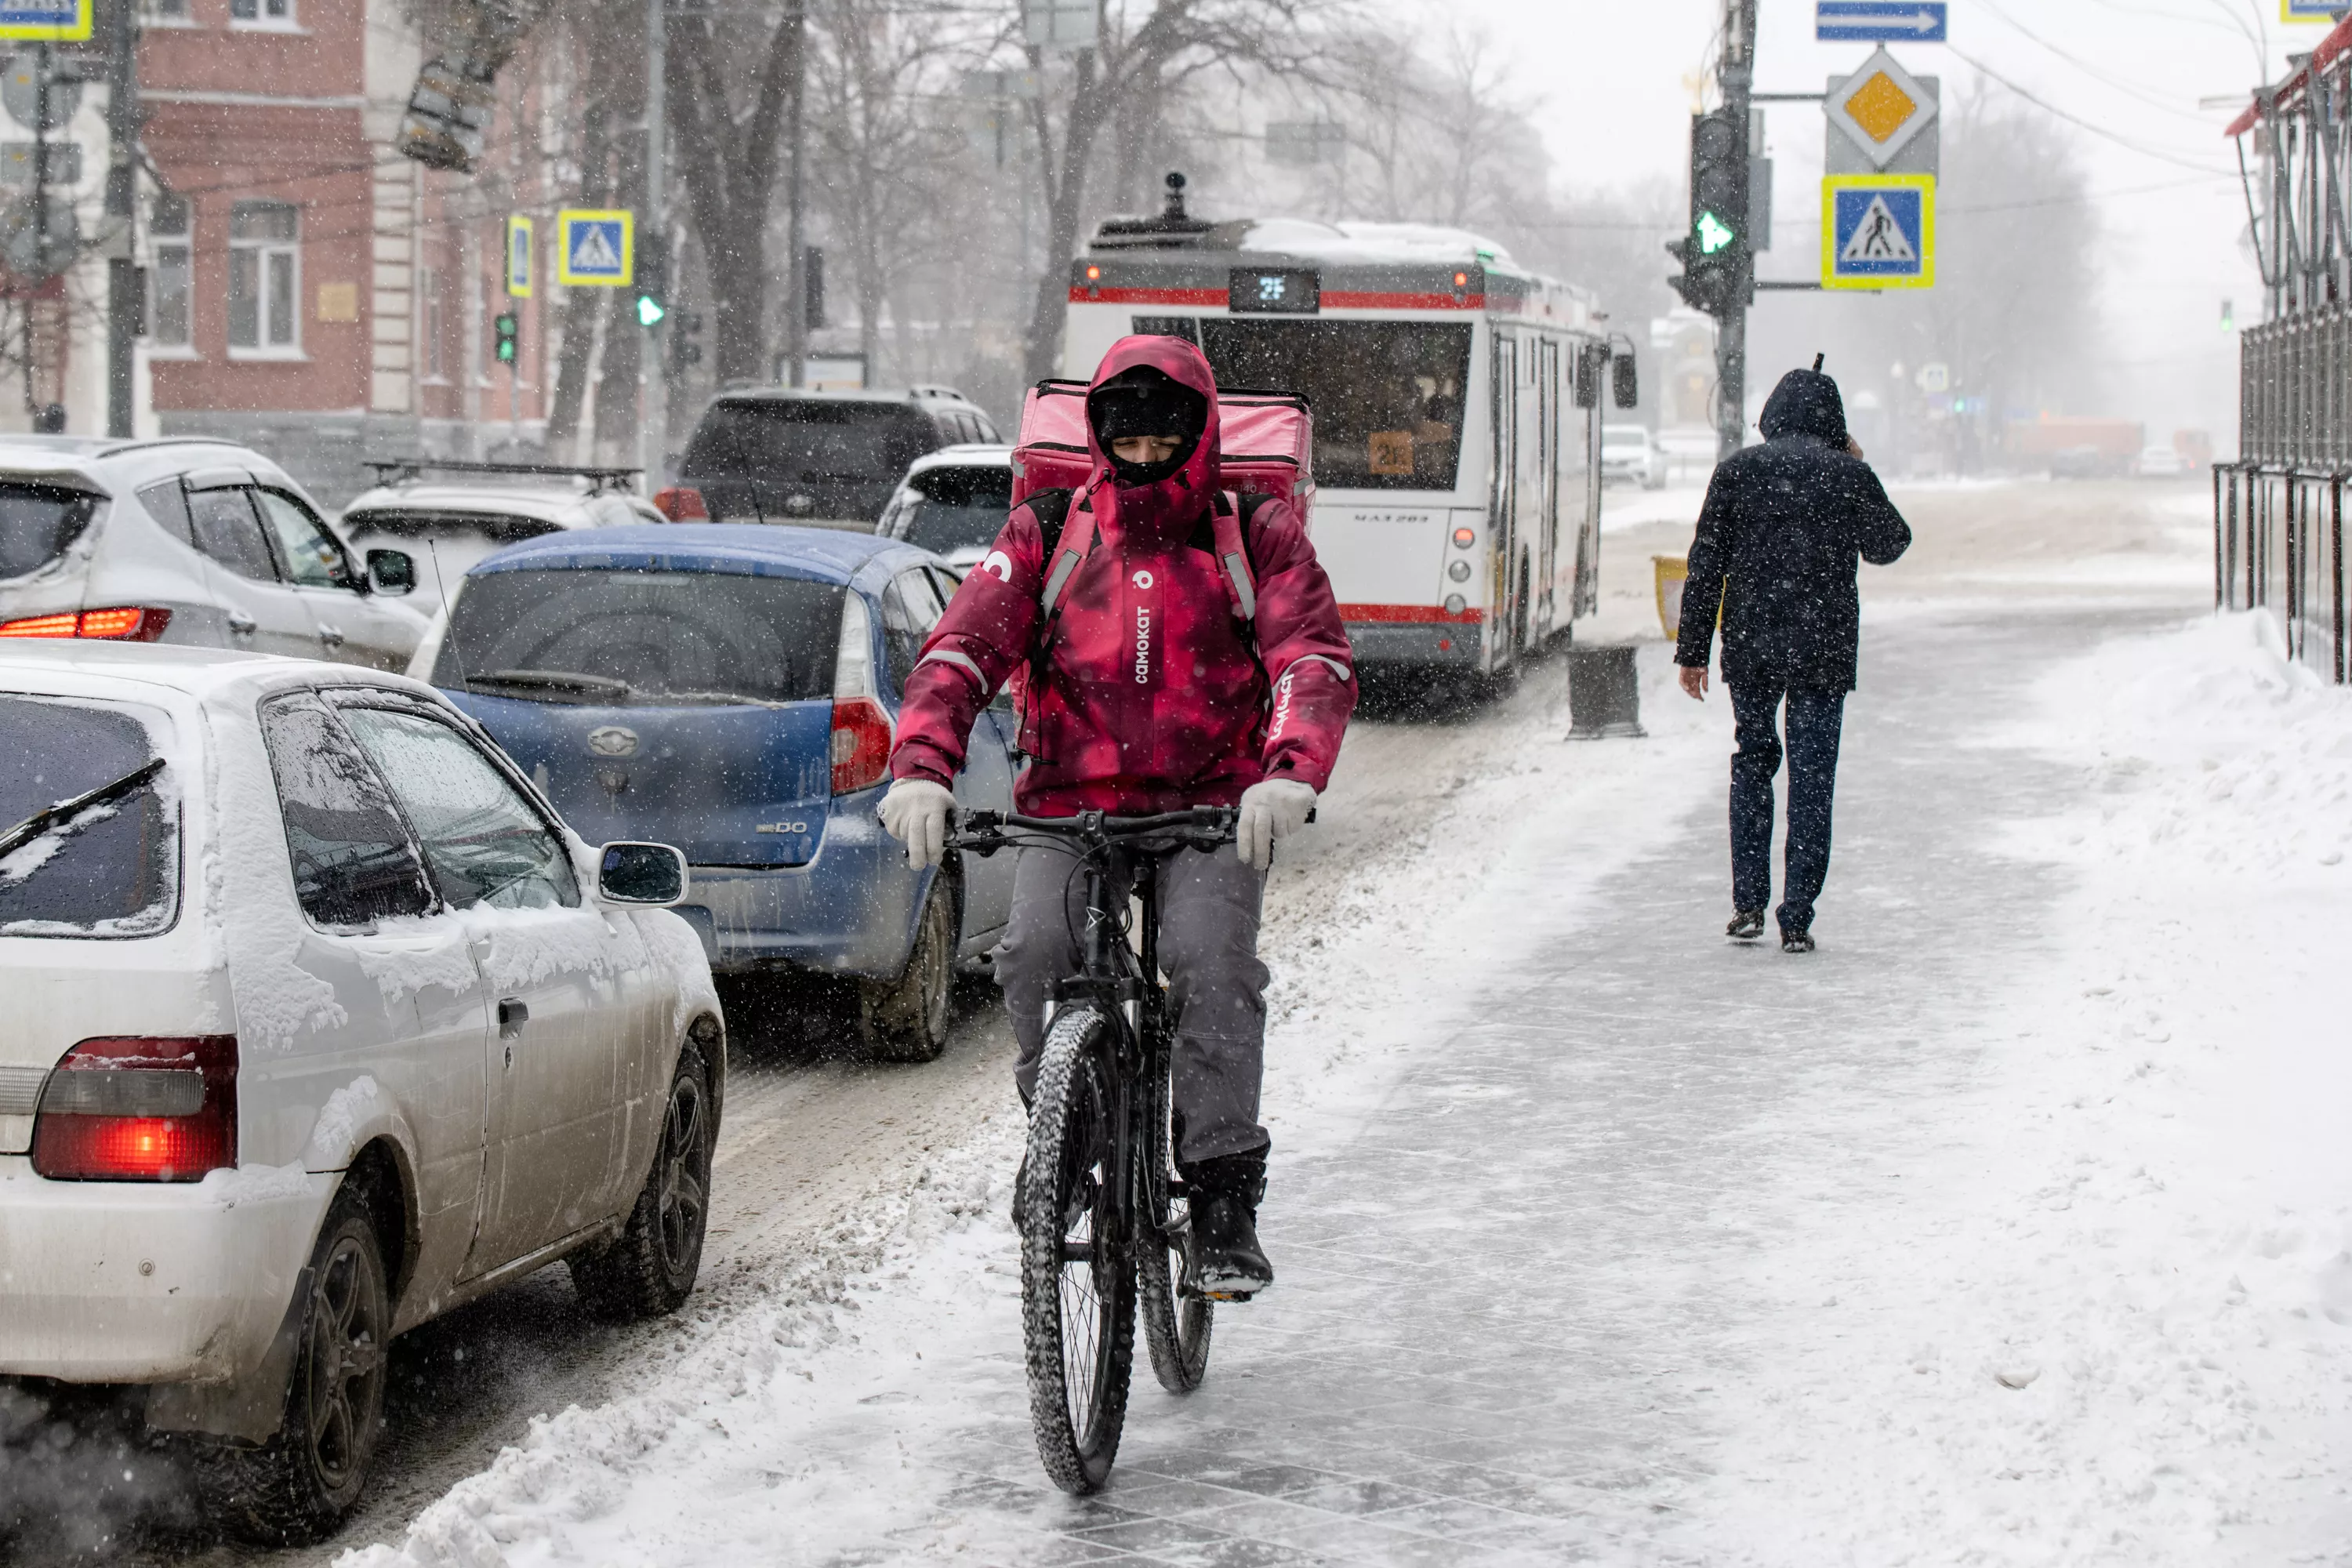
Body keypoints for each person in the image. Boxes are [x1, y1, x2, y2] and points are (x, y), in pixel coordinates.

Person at [877, 335, 1356, 1298]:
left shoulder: (1251, 532)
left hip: (1213, 805)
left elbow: (1313, 655)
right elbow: (961, 652)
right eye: (1124, 443)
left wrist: (1289, 771)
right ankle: (1064, 1133)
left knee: (1211, 962)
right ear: (1098, 437)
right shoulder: (1048, 531)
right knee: (1032, 955)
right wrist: (921, 766)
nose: (1142, 461)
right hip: (1070, 806)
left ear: (1200, 436)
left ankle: (1222, 1192)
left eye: (1162, 443)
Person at [1674, 359, 1911, 954]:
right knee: (1811, 780)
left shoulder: (1736, 473)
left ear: (1770, 415)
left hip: (1752, 646)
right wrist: (1857, 463)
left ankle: (1748, 902)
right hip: (1823, 650)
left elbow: (1705, 567)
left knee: (1752, 763)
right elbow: (1890, 544)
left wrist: (1693, 651)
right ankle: (1797, 914)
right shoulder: (1845, 476)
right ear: (1834, 421)